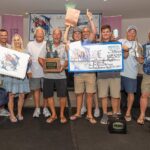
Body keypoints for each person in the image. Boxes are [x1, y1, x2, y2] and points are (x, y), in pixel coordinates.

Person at [38, 28, 68, 124]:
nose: (56, 36)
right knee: (49, 95)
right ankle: (54, 114)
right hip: (48, 76)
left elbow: (67, 61)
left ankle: (62, 114)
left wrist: (62, 68)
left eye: (58, 34)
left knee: (62, 96)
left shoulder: (64, 46)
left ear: (61, 36)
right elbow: (40, 58)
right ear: (52, 35)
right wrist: (45, 67)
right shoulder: (47, 45)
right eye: (55, 34)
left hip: (61, 75)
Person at [97, 25, 124, 124]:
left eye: (107, 31)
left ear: (110, 33)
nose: (105, 33)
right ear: (101, 34)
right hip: (101, 75)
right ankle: (104, 115)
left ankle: (115, 114)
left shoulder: (117, 44)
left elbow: (125, 53)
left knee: (115, 96)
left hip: (115, 75)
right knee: (103, 96)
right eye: (103, 32)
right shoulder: (98, 45)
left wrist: (122, 47)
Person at [2, 34, 30, 122]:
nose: (17, 41)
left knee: (22, 96)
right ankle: (12, 114)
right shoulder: (8, 51)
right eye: (15, 40)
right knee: (11, 96)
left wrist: (29, 62)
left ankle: (19, 113)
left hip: (22, 78)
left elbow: (28, 66)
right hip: (11, 78)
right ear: (13, 41)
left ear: (21, 41)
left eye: (18, 40)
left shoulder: (26, 52)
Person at [119, 25, 143, 122]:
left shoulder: (139, 45)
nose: (131, 33)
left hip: (131, 74)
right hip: (119, 73)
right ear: (126, 33)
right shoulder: (121, 41)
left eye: (134, 32)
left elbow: (141, 61)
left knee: (130, 93)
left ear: (136, 34)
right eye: (130, 31)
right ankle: (117, 110)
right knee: (116, 93)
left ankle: (128, 112)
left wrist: (140, 58)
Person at [26, 27, 50, 118]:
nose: (40, 35)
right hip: (34, 72)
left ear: (44, 35)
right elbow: (26, 59)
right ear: (35, 34)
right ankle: (37, 108)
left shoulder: (47, 44)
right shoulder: (30, 44)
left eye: (42, 34)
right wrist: (28, 70)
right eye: (38, 34)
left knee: (46, 91)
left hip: (46, 72)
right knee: (36, 90)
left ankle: (45, 108)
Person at [137, 31, 150, 124]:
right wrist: (140, 57)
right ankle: (142, 115)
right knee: (144, 95)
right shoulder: (144, 46)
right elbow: (141, 60)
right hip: (147, 74)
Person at [0, 29, 10, 117]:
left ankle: (2, 109)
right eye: (1, 35)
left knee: (5, 92)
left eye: (5, 35)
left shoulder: (10, 47)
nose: (3, 37)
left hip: (7, 75)